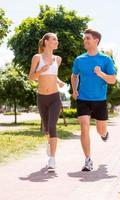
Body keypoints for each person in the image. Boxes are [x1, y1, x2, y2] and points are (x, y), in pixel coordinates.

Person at [71, 28, 116, 171]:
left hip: (100, 100)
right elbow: (74, 76)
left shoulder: (105, 59)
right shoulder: (79, 59)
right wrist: (74, 89)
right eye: (84, 38)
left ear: (96, 41)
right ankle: (88, 160)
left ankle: (104, 134)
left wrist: (101, 73)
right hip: (83, 99)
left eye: (88, 38)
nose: (85, 41)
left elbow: (113, 80)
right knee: (84, 127)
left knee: (100, 130)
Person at [28, 32, 65, 172]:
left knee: (52, 126)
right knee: (46, 129)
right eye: (54, 39)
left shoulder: (58, 59)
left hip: (55, 97)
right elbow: (31, 77)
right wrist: (41, 70)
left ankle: (52, 159)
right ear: (46, 42)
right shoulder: (37, 57)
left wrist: (59, 81)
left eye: (57, 39)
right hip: (42, 97)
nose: (57, 41)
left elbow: (53, 75)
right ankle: (49, 145)